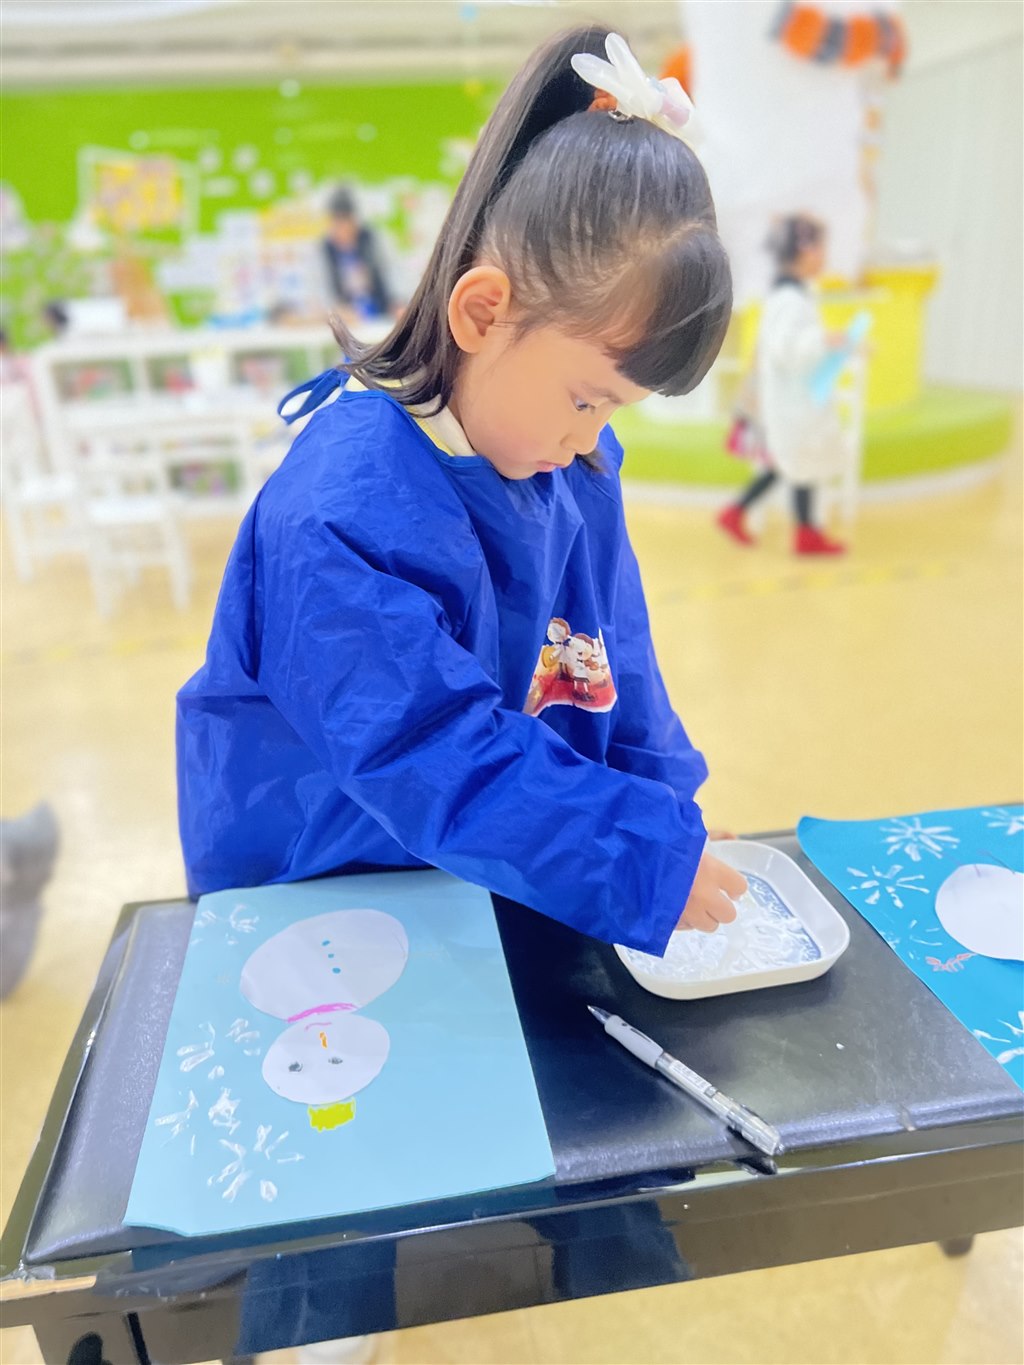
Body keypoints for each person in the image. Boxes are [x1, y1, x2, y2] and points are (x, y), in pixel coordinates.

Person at [177, 26, 746, 957]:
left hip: (498, 870)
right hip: (332, 902)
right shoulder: (335, 511)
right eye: (586, 397)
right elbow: (428, 744)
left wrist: (664, 814)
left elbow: (618, 656)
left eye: (616, 407)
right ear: (483, 312)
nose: (591, 435)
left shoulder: (574, 462)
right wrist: (627, 849)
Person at [717, 215, 849, 555]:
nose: (825, 256)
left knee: (794, 463)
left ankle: (797, 530)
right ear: (806, 251)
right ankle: (795, 529)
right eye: (821, 248)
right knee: (798, 460)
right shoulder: (790, 300)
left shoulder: (791, 295)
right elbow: (787, 348)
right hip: (792, 401)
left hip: (792, 398)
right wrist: (825, 340)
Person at [320, 184, 395, 321]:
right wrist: (336, 310)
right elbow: (323, 292)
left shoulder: (370, 241)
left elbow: (389, 274)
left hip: (379, 312)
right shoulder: (326, 250)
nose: (342, 229)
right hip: (346, 316)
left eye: (346, 221)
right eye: (338, 223)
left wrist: (395, 302)